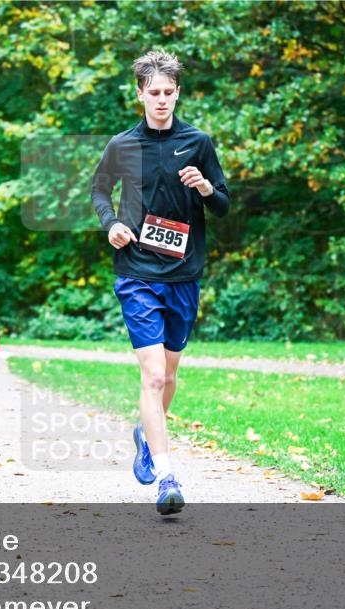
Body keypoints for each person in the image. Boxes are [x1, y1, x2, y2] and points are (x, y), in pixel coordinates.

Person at [91, 50, 230, 515]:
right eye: (154, 93)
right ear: (139, 94)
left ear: (178, 92)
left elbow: (225, 203)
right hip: (136, 271)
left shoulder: (198, 142)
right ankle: (167, 477)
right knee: (151, 374)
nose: (162, 101)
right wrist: (111, 223)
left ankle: (147, 439)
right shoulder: (122, 145)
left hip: (183, 273)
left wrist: (207, 189)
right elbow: (98, 189)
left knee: (169, 374)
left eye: (169, 92)